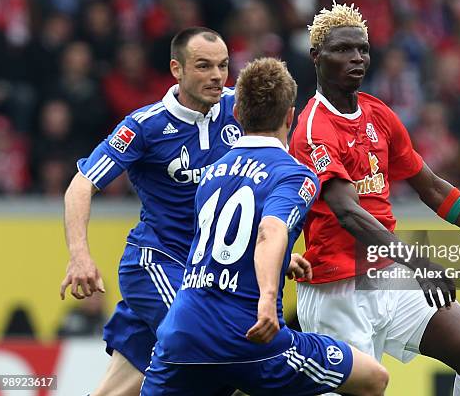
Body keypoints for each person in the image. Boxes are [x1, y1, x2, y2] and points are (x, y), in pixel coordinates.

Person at [289, 3, 460, 396]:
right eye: (343, 50)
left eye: (363, 49)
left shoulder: (378, 114)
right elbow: (348, 212)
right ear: (317, 57)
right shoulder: (313, 128)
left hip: (388, 274)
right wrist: (418, 261)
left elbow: (433, 188)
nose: (356, 58)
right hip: (338, 290)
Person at [141, 57, 389, 396]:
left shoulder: (211, 173)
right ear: (290, 116)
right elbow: (270, 231)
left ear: (237, 115)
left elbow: (222, 245)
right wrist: (267, 299)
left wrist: (284, 260)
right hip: (249, 333)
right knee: (374, 378)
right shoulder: (294, 174)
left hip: (183, 333)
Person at [59, 27, 242, 396]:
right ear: (177, 69)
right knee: (211, 346)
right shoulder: (145, 126)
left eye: (222, 66)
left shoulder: (239, 109)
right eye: (204, 66)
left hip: (210, 270)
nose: (217, 76)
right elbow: (80, 185)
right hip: (158, 262)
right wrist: (79, 255)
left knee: (115, 389)